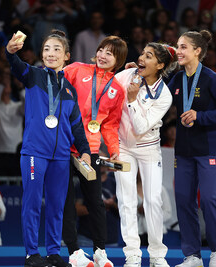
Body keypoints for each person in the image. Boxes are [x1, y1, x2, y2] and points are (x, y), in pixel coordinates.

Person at [6, 30, 91, 267]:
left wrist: (84, 149)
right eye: (46, 49)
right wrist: (10, 52)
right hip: (35, 153)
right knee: (32, 203)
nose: (50, 53)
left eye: (56, 49)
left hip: (61, 157)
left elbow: (76, 126)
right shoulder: (33, 76)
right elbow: (16, 64)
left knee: (57, 206)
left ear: (66, 56)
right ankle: (32, 254)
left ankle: (54, 252)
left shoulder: (70, 90)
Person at [168, 30, 216, 267]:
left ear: (197, 51)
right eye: (177, 47)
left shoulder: (211, 78)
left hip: (208, 149)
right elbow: (159, 101)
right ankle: (192, 256)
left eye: (183, 47)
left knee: (209, 200)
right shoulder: (177, 80)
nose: (178, 51)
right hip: (183, 151)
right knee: (184, 201)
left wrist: (201, 116)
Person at [62, 36, 127, 267]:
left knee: (95, 201)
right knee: (66, 199)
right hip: (63, 146)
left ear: (118, 60)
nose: (102, 55)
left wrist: (115, 150)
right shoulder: (77, 69)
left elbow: (110, 125)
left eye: (109, 53)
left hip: (90, 150)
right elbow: (53, 81)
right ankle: (74, 251)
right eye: (101, 50)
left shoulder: (117, 89)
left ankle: (100, 251)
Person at [114, 42, 177, 267]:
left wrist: (131, 101)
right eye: (142, 53)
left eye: (149, 56)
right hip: (122, 147)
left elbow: (140, 128)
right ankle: (132, 253)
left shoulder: (165, 96)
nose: (141, 58)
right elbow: (107, 93)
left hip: (149, 149)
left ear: (160, 65)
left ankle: (157, 256)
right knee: (126, 199)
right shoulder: (127, 75)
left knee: (153, 200)